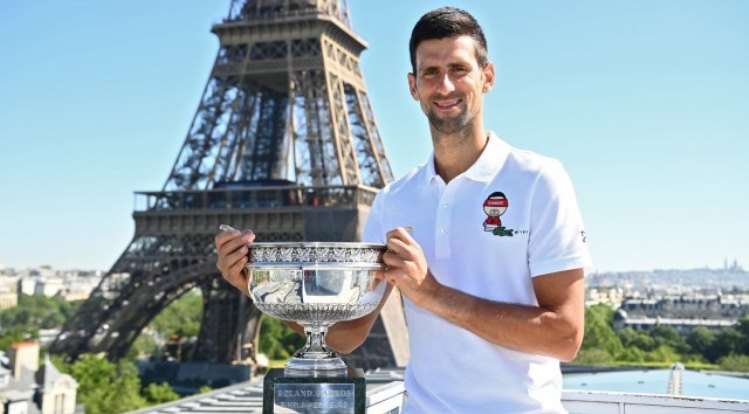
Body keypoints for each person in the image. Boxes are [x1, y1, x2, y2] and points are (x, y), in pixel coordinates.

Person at [216, 6, 591, 413]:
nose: (444, 85)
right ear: (413, 86)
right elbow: (347, 336)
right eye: (431, 73)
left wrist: (432, 294)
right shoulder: (394, 201)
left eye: (459, 69)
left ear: (488, 77)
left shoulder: (538, 181)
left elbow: (565, 337)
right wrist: (259, 286)